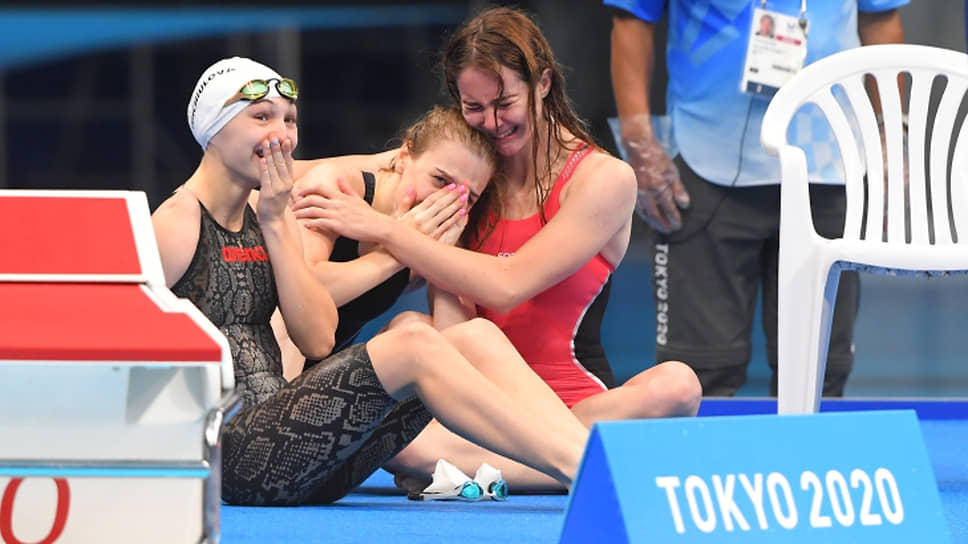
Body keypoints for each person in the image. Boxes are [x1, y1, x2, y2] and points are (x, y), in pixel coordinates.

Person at [292, 7, 702, 491]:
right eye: (474, 107)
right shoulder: (466, 176)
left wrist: (389, 231)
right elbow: (363, 165)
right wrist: (259, 180)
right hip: (480, 411)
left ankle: (522, 463)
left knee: (677, 385)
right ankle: (577, 463)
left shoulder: (604, 179)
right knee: (407, 351)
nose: (491, 122)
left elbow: (508, 285)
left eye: (505, 103)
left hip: (579, 405)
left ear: (543, 83)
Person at [151, 56, 593, 505]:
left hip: (299, 446)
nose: (281, 135)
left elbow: (318, 339)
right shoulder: (180, 221)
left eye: (289, 120)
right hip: (233, 458)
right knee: (411, 344)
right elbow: (122, 351)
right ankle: (583, 468)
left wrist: (278, 224)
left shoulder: (268, 214)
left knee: (454, 335)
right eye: (262, 117)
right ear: (216, 128)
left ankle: (588, 457)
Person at [605, 0, 907, 395]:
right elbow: (633, 20)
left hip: (828, 161)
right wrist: (638, 140)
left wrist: (891, 135)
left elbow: (881, 20)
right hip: (705, 158)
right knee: (697, 375)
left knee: (820, 374)